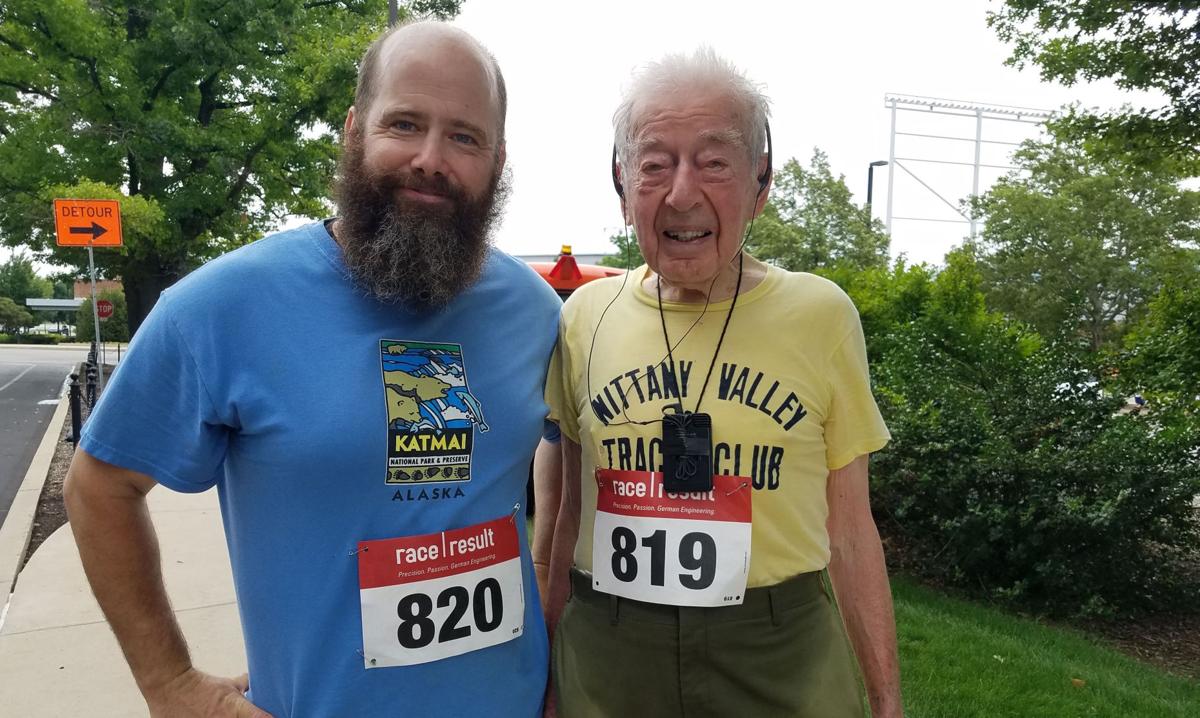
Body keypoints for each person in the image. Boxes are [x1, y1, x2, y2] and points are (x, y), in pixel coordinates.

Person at [64, 21, 560, 717]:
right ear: (355, 131)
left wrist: (550, 612)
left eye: (464, 137)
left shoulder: (538, 315)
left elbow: (564, 462)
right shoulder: (221, 307)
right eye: (405, 124)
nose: (430, 158)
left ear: (498, 161)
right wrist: (170, 685)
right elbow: (99, 487)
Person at [539, 48, 903, 717]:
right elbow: (563, 516)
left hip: (778, 651)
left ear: (759, 183)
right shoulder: (582, 319)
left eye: (714, 161)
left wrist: (886, 702)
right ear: (623, 189)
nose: (682, 192)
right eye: (655, 164)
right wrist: (550, 677)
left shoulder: (820, 316)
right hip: (611, 651)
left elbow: (850, 529)